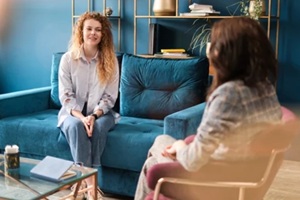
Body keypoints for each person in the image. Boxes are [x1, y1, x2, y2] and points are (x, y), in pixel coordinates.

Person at [134, 17, 282, 200]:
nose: (211, 50)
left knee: (154, 157)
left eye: (215, 45)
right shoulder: (265, 87)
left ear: (228, 53)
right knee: (161, 141)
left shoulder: (229, 95)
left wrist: (181, 147)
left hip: (215, 181)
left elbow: (193, 161)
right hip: (241, 173)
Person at [58, 12, 119, 200]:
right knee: (77, 127)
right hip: (72, 114)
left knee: (99, 127)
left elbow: (110, 97)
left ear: (103, 34)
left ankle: (81, 185)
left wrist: (93, 116)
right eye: (89, 29)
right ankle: (92, 188)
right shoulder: (68, 59)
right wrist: (82, 117)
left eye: (98, 30)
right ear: (81, 32)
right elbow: (66, 96)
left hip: (102, 114)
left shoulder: (110, 60)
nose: (93, 33)